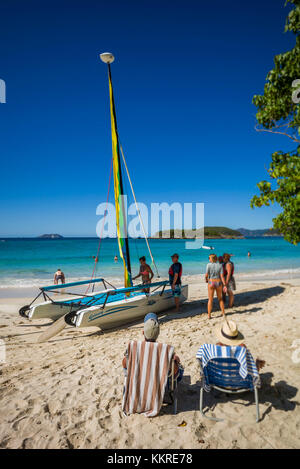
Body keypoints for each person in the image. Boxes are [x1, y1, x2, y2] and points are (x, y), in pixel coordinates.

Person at [122, 313, 184, 382]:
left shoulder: (134, 348)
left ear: (143, 332)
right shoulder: (165, 350)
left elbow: (124, 364)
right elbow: (175, 372)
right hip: (157, 389)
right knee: (180, 369)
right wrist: (175, 361)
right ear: (158, 333)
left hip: (137, 387)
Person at [205, 254, 226, 319]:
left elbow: (206, 275)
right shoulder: (220, 265)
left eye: (209, 258)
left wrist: (206, 280)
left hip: (211, 282)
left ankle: (209, 315)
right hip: (218, 282)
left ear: (211, 259)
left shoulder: (208, 265)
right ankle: (223, 313)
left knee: (210, 300)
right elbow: (222, 276)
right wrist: (224, 285)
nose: (208, 259)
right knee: (220, 299)